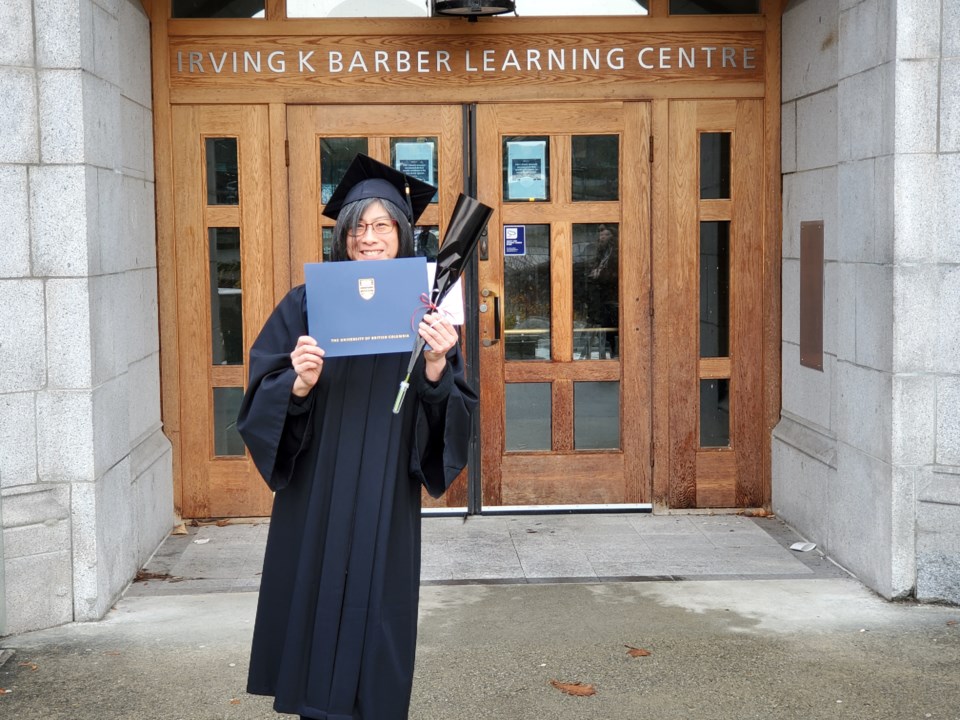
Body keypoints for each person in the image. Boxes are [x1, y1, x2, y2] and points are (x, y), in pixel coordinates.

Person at [237, 154, 478, 720]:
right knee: (316, 607)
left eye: (383, 225)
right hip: (317, 493)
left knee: (377, 618)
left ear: (402, 232)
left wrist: (439, 366)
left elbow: (452, 413)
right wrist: (296, 385)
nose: (369, 238)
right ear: (343, 235)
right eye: (359, 226)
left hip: (384, 492)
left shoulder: (428, 313)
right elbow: (261, 394)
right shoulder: (304, 304)